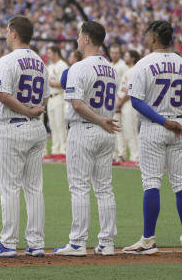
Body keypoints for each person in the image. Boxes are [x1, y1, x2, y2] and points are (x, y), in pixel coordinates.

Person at [122, 21, 182, 255]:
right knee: (181, 182)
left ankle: (148, 240)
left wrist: (163, 120)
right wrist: (174, 119)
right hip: (179, 125)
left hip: (155, 126)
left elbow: (135, 101)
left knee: (152, 182)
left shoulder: (144, 64)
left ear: (154, 37)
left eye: (147, 35)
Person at [0, 16, 47, 258]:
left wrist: (27, 110)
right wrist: (32, 110)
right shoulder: (40, 62)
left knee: (9, 188)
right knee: (34, 188)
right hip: (35, 127)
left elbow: (4, 95)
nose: (6, 35)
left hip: (13, 126)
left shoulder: (8, 60)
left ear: (14, 33)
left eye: (8, 31)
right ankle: (36, 242)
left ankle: (8, 243)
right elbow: (45, 98)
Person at [55, 20, 120, 257]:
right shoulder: (111, 68)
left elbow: (77, 104)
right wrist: (103, 120)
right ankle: (107, 242)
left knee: (80, 187)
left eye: (79, 34)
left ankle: (78, 242)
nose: (77, 38)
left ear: (86, 39)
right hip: (106, 130)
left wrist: (99, 120)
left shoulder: (79, 67)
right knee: (104, 188)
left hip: (85, 128)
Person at [114, 49, 141, 164]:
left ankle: (136, 157)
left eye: (127, 56)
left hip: (130, 102)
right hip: (123, 102)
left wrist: (121, 101)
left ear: (133, 58)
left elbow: (131, 89)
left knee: (131, 131)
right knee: (125, 131)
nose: (125, 58)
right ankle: (130, 156)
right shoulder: (129, 71)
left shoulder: (135, 70)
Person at [46, 45, 68, 158]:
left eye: (49, 53)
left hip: (59, 96)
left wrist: (51, 83)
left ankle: (63, 150)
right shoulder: (50, 66)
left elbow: (64, 83)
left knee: (60, 124)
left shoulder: (62, 65)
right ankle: (55, 150)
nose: (48, 55)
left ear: (55, 53)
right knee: (53, 125)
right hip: (50, 97)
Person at [109, 43, 130, 162]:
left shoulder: (123, 66)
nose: (114, 54)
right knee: (112, 128)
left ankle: (122, 153)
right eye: (112, 52)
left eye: (116, 52)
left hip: (120, 99)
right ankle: (115, 153)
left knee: (119, 128)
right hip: (111, 100)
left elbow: (125, 85)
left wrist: (121, 99)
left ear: (120, 54)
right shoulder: (110, 65)